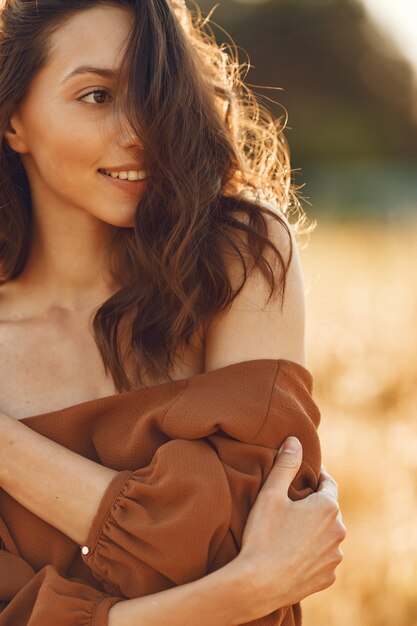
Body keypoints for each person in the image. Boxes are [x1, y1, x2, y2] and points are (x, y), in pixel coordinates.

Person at [0, 1, 346, 624]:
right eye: (97, 95)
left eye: (158, 92)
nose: (141, 130)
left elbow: (233, 541)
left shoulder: (238, 258)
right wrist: (239, 593)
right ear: (13, 121)